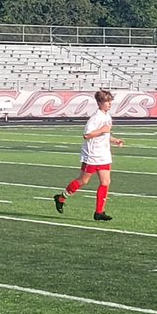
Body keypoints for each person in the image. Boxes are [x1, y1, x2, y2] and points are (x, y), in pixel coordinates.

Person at [52, 89, 124, 221]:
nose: (109, 104)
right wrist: (102, 130)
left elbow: (105, 135)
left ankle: (99, 212)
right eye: (106, 101)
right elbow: (87, 135)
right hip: (92, 155)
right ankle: (61, 197)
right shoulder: (95, 118)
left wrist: (114, 140)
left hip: (104, 155)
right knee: (83, 181)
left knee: (106, 182)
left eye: (110, 101)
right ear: (99, 103)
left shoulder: (107, 116)